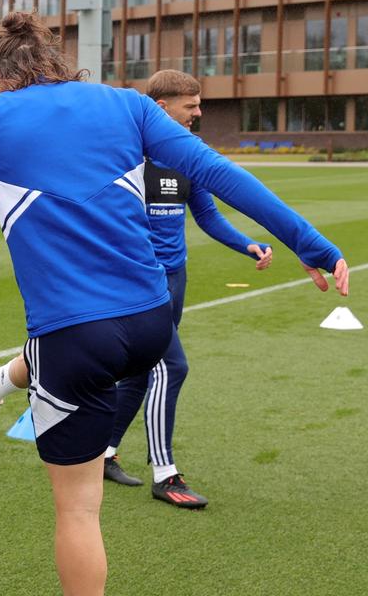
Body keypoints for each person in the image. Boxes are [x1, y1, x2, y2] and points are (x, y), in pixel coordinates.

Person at [0, 11, 349, 596]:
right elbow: (216, 171)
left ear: (3, 77)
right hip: (150, 323)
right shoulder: (128, 103)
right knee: (58, 357)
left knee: (78, 512)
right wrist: (311, 244)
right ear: (63, 66)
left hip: (76, 338)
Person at [102, 69, 273, 508]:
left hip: (177, 279)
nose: (199, 112)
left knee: (141, 371)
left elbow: (209, 217)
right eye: (191, 105)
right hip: (143, 283)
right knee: (172, 367)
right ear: (161, 108)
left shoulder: (187, 157)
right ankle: (166, 474)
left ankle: (103, 453)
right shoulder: (125, 157)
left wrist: (246, 243)